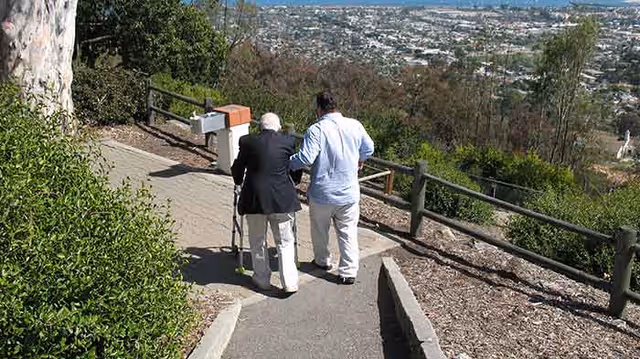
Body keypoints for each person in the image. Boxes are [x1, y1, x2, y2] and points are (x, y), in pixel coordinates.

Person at [289, 91, 374, 285]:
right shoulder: (355, 125)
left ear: (319, 109)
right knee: (348, 232)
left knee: (320, 229)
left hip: (323, 192)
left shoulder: (316, 129)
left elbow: (305, 158)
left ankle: (322, 260)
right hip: (349, 192)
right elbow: (369, 148)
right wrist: (360, 159)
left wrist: (287, 162)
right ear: (336, 106)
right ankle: (348, 271)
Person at [231, 112, 303, 294]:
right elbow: (295, 168)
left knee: (257, 240)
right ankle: (289, 282)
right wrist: (295, 181)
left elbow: (238, 167)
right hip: (281, 199)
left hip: (255, 198)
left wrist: (238, 181)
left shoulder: (247, 141)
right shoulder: (288, 142)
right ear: (278, 127)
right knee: (285, 241)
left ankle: (262, 279)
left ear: (260, 126)